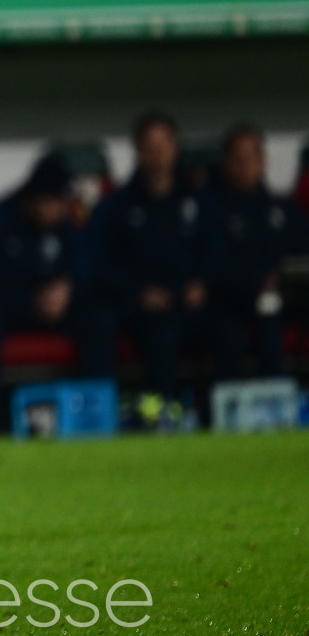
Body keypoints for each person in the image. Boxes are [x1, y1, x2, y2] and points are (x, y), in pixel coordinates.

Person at [84, 110, 211, 416]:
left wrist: (203, 282)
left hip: (192, 303)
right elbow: (98, 265)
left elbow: (215, 251)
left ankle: (220, 420)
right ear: (138, 150)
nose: (158, 152)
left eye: (164, 143)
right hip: (139, 307)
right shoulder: (116, 207)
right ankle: (157, 417)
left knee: (228, 332)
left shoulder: (199, 202)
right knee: (159, 337)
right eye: (150, 145)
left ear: (176, 148)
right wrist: (139, 293)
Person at [0, 151, 113, 378]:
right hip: (15, 310)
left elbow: (89, 270)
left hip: (61, 310)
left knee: (100, 320)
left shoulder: (68, 228)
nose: (54, 210)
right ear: (31, 199)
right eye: (47, 202)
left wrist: (68, 290)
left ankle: (92, 403)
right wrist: (31, 302)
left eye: (60, 202)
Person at [205, 123, 302, 381]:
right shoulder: (210, 211)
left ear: (263, 161)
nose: (245, 164)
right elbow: (212, 265)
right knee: (232, 336)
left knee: (273, 327)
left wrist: (281, 279)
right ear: (225, 163)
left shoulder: (283, 210)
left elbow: (300, 257)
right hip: (227, 304)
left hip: (282, 302)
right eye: (238, 158)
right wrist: (256, 281)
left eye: (252, 157)